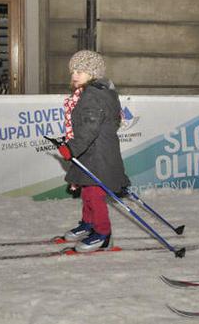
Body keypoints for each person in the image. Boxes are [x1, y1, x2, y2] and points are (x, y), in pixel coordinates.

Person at [55, 50, 130, 252]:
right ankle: (89, 224)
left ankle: (103, 234)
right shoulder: (100, 91)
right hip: (94, 152)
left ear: (93, 73)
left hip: (98, 155)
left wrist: (71, 148)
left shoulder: (92, 96)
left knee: (95, 195)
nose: (74, 75)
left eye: (80, 71)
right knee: (88, 191)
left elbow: (90, 128)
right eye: (73, 71)